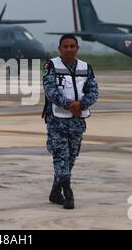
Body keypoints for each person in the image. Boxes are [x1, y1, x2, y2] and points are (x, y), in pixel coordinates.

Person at [42, 34, 99, 209]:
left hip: (77, 120)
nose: (69, 49)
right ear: (60, 49)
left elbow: (94, 91)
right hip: (57, 120)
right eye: (65, 46)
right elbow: (49, 90)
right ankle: (68, 193)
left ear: (77, 48)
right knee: (61, 157)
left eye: (72, 46)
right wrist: (69, 105)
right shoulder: (50, 65)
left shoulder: (85, 67)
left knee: (71, 158)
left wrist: (81, 104)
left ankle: (54, 191)